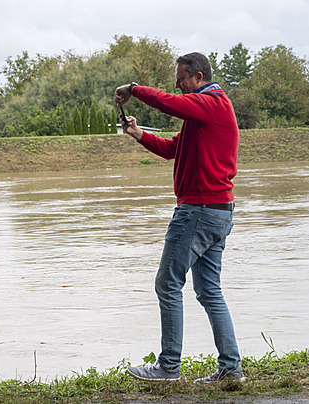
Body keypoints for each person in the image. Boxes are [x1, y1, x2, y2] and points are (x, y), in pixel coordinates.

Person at [114, 52, 244, 383]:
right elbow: (174, 149)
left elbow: (168, 103)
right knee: (209, 290)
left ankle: (169, 366)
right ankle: (231, 369)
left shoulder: (211, 104)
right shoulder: (205, 113)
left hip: (198, 211)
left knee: (167, 282)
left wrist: (135, 89)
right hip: (217, 210)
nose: (178, 85)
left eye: (181, 78)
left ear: (198, 77)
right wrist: (139, 134)